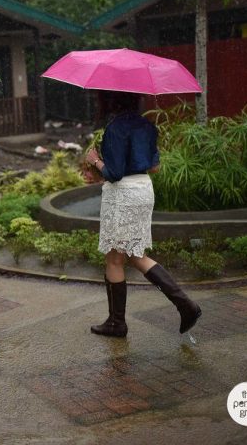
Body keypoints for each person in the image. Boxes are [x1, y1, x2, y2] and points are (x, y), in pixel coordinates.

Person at [85, 90, 201, 337]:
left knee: (116, 259)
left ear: (109, 100)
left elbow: (114, 173)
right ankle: (183, 306)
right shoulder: (146, 125)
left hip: (123, 195)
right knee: (135, 254)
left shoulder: (115, 127)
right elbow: (154, 166)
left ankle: (122, 322)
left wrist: (95, 160)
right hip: (143, 189)